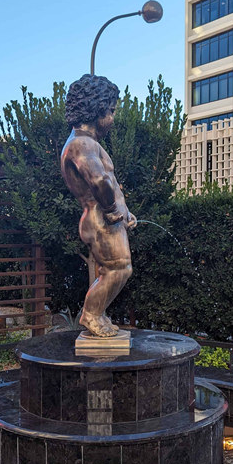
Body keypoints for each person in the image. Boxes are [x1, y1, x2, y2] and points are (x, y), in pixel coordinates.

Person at [61, 74, 136, 337]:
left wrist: (125, 211)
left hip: (105, 217)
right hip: (100, 218)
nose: (113, 118)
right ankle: (90, 315)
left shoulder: (87, 143)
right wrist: (115, 211)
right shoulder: (80, 144)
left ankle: (97, 313)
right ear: (96, 108)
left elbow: (109, 183)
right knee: (118, 268)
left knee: (117, 269)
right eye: (111, 111)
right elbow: (99, 180)